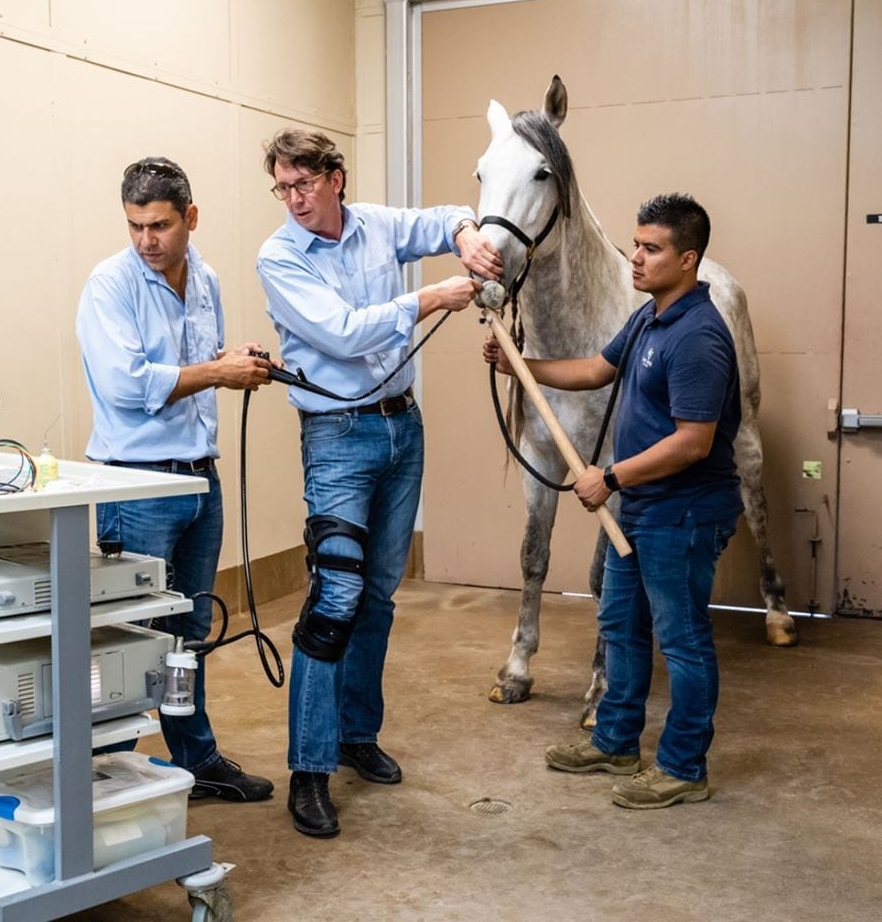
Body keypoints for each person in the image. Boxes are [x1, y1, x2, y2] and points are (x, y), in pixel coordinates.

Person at [257, 128, 501, 837]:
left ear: (336, 178)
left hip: (401, 427)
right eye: (282, 187)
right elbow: (342, 332)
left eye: (304, 184)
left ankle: (355, 736)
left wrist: (465, 232)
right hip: (336, 436)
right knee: (335, 596)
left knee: (379, 596)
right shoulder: (279, 256)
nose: (294, 199)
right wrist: (433, 298)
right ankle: (309, 769)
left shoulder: (373, 226)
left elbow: (439, 215)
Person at [484, 193, 743, 809]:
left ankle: (683, 766)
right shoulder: (648, 318)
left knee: (682, 640)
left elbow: (693, 442)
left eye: (651, 249)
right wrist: (522, 364)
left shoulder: (699, 337)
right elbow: (596, 371)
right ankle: (616, 740)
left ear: (689, 260)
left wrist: (612, 477)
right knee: (621, 625)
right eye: (635, 243)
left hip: (682, 513)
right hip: (641, 510)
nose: (636, 257)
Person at [77, 156, 275, 803]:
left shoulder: (208, 279)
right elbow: (128, 388)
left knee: (188, 635)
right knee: (128, 641)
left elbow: (194, 366)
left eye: (159, 225)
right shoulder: (110, 284)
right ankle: (105, 777)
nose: (146, 240)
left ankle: (198, 759)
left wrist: (229, 362)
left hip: (198, 481)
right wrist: (218, 373)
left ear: (190, 218)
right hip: (136, 487)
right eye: (135, 225)